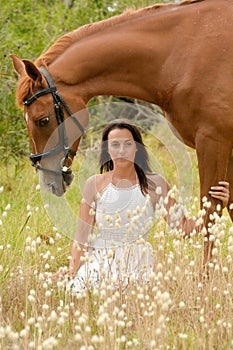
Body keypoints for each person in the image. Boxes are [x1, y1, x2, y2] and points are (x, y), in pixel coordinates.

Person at [66, 119, 229, 293]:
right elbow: (81, 237)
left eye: (128, 144)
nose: (121, 151)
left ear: (137, 148)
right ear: (107, 150)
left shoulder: (155, 183)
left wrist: (217, 207)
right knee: (83, 293)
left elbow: (184, 228)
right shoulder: (94, 184)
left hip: (139, 262)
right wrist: (71, 273)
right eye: (115, 145)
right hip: (100, 261)